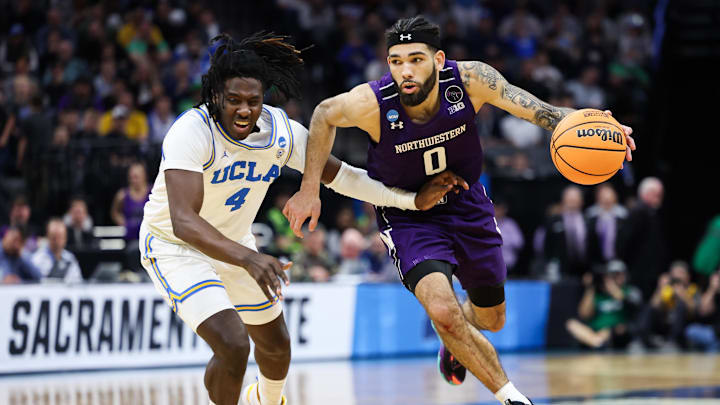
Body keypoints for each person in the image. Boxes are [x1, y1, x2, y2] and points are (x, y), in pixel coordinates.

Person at [285, 16, 635, 405]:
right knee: (442, 310)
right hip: (408, 214)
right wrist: (309, 188)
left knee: (491, 321)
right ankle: (514, 397)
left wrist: (595, 125)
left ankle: (455, 340)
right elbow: (322, 114)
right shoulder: (371, 103)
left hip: (466, 204)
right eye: (395, 61)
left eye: (415, 59)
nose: (405, 70)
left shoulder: (471, 80)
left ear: (438, 60)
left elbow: (541, 112)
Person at [139, 32, 464, 405]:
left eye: (253, 101)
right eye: (233, 101)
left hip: (235, 244)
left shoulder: (280, 133)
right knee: (232, 343)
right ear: (215, 96)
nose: (244, 110)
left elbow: (345, 177)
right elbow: (184, 220)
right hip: (176, 246)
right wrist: (250, 258)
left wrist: (410, 200)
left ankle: (266, 400)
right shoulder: (192, 131)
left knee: (277, 347)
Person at [565, 260, 642, 349]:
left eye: (619, 274)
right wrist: (590, 287)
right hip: (594, 330)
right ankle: (599, 344)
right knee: (572, 324)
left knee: (611, 330)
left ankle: (597, 343)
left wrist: (613, 289)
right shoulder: (597, 294)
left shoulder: (630, 291)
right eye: (613, 275)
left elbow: (635, 306)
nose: (617, 277)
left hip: (615, 331)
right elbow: (584, 314)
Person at [616, 177, 666, 300]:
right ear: (646, 194)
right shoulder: (638, 213)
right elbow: (625, 242)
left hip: (647, 271)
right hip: (638, 272)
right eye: (657, 194)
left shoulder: (651, 213)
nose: (659, 198)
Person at [30, 218, 83, 283]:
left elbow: (78, 282)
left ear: (65, 238)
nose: (57, 241)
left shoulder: (70, 258)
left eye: (60, 237)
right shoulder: (36, 259)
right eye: (54, 237)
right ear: (48, 237)